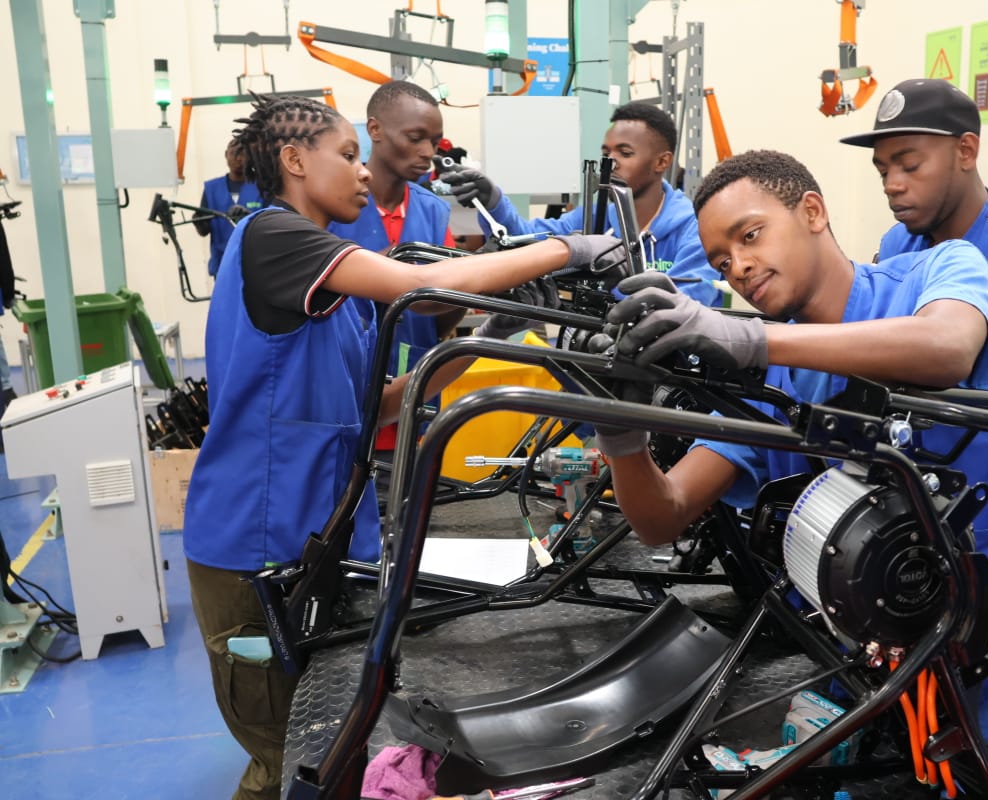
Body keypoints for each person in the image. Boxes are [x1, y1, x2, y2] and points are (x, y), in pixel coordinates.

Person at [593, 151, 988, 790]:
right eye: (720, 263)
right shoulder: (773, 385)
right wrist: (621, 435)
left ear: (813, 212)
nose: (738, 268)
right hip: (881, 683)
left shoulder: (939, 270)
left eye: (749, 235)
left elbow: (948, 347)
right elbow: (663, 516)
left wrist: (750, 340)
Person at [181, 94, 623, 800]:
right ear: (295, 161)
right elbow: (420, 286)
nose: (364, 175)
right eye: (349, 156)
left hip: (314, 542)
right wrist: (563, 249)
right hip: (254, 551)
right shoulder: (274, 237)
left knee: (329, 751)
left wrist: (488, 334)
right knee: (284, 766)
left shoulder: (324, 279)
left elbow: (374, 403)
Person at [841, 78, 988, 556]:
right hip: (918, 503)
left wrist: (973, 517)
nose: (893, 184)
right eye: (883, 169)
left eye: (910, 165)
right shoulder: (896, 245)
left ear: (966, 151)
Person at [440, 101, 724, 306]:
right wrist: (494, 202)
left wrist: (618, 288)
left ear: (662, 161)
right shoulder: (594, 220)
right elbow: (524, 241)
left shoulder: (692, 228)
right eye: (606, 153)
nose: (610, 164)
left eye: (624, 153)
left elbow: (690, 301)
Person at [327, 80, 464, 466]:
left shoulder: (432, 211)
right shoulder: (336, 207)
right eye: (415, 138)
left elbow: (444, 314)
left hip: (411, 403)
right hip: (346, 402)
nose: (427, 153)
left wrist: (465, 288)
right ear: (374, 130)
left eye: (434, 142)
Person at [195, 139, 265, 277]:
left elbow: (273, 222)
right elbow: (203, 229)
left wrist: (250, 217)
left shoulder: (262, 187)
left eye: (242, 154)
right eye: (234, 153)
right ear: (226, 154)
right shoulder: (212, 189)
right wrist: (199, 223)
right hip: (223, 264)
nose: (238, 158)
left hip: (256, 264)